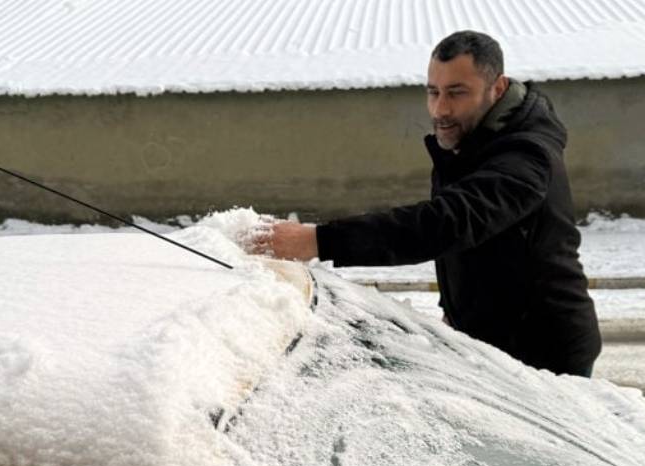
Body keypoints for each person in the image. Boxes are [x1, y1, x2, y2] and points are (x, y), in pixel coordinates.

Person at [252, 30, 601, 377]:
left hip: (544, 351)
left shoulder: (526, 156)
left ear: (497, 88)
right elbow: (476, 247)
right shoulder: (471, 144)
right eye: (433, 92)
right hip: (493, 341)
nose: (440, 109)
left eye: (456, 93)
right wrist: (457, 311)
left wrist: (317, 240)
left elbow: (447, 223)